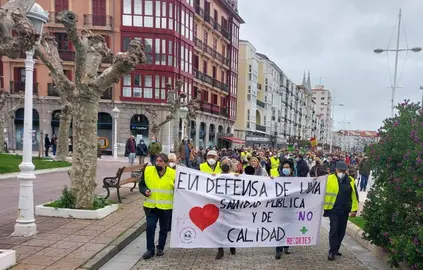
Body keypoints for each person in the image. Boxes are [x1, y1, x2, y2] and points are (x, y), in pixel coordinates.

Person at [139, 153, 175, 260]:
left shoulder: (173, 173)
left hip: (166, 207)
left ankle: (160, 248)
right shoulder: (148, 170)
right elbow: (141, 184)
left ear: (166, 163)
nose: (158, 163)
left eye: (161, 161)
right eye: (157, 161)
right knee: (150, 227)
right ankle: (150, 249)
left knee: (164, 229)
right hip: (151, 206)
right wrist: (145, 191)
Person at [324, 161, 359, 261]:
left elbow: (354, 196)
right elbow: (317, 183)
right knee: (334, 230)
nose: (342, 172)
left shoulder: (350, 180)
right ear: (336, 170)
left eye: (344, 171)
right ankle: (332, 251)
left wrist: (354, 210)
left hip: (345, 210)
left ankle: (336, 248)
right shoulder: (329, 178)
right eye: (340, 170)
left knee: (341, 231)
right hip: (333, 209)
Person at [270, 159, 294, 259]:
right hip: (280, 209)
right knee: (280, 229)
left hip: (291, 209)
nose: (285, 169)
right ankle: (278, 250)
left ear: (291, 169)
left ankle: (286, 246)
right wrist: (270, 180)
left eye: (287, 168)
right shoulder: (278, 179)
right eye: (284, 167)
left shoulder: (296, 180)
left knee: (288, 228)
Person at [215, 157, 236, 260]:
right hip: (219, 206)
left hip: (231, 206)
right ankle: (220, 250)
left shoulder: (235, 176)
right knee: (219, 228)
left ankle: (232, 244)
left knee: (230, 226)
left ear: (230, 165)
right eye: (223, 163)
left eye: (227, 163)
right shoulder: (216, 176)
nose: (225, 164)